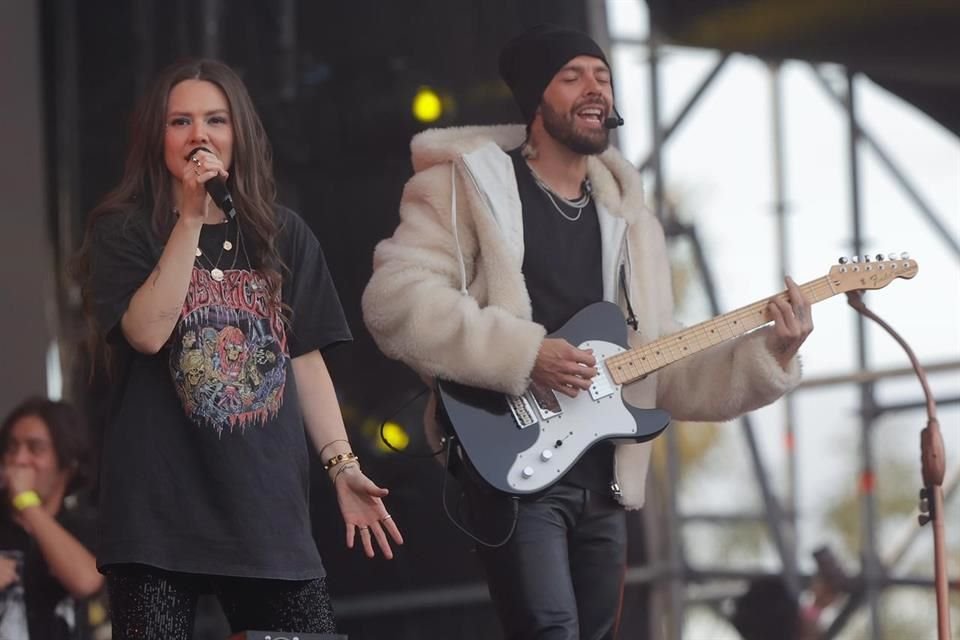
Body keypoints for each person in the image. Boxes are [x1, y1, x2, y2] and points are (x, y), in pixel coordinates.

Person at [362, 24, 813, 640]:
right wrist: (523, 355)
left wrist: (771, 351)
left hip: (604, 476)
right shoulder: (466, 187)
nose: (594, 88)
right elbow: (396, 299)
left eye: (602, 75)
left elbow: (662, 364)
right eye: (572, 76)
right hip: (513, 463)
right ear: (535, 99)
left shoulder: (630, 221)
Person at [77, 58, 403, 638]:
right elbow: (147, 332)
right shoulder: (122, 230)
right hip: (157, 514)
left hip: (263, 512)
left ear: (239, 135)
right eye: (180, 121)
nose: (199, 134)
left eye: (215, 120)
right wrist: (188, 221)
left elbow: (304, 360)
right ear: (158, 138)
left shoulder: (283, 234)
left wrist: (342, 464)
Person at [0, 397, 102, 639]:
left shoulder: (82, 524)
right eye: (12, 447)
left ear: (68, 463)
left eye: (35, 449)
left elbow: (87, 581)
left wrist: (26, 502)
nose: (19, 460)